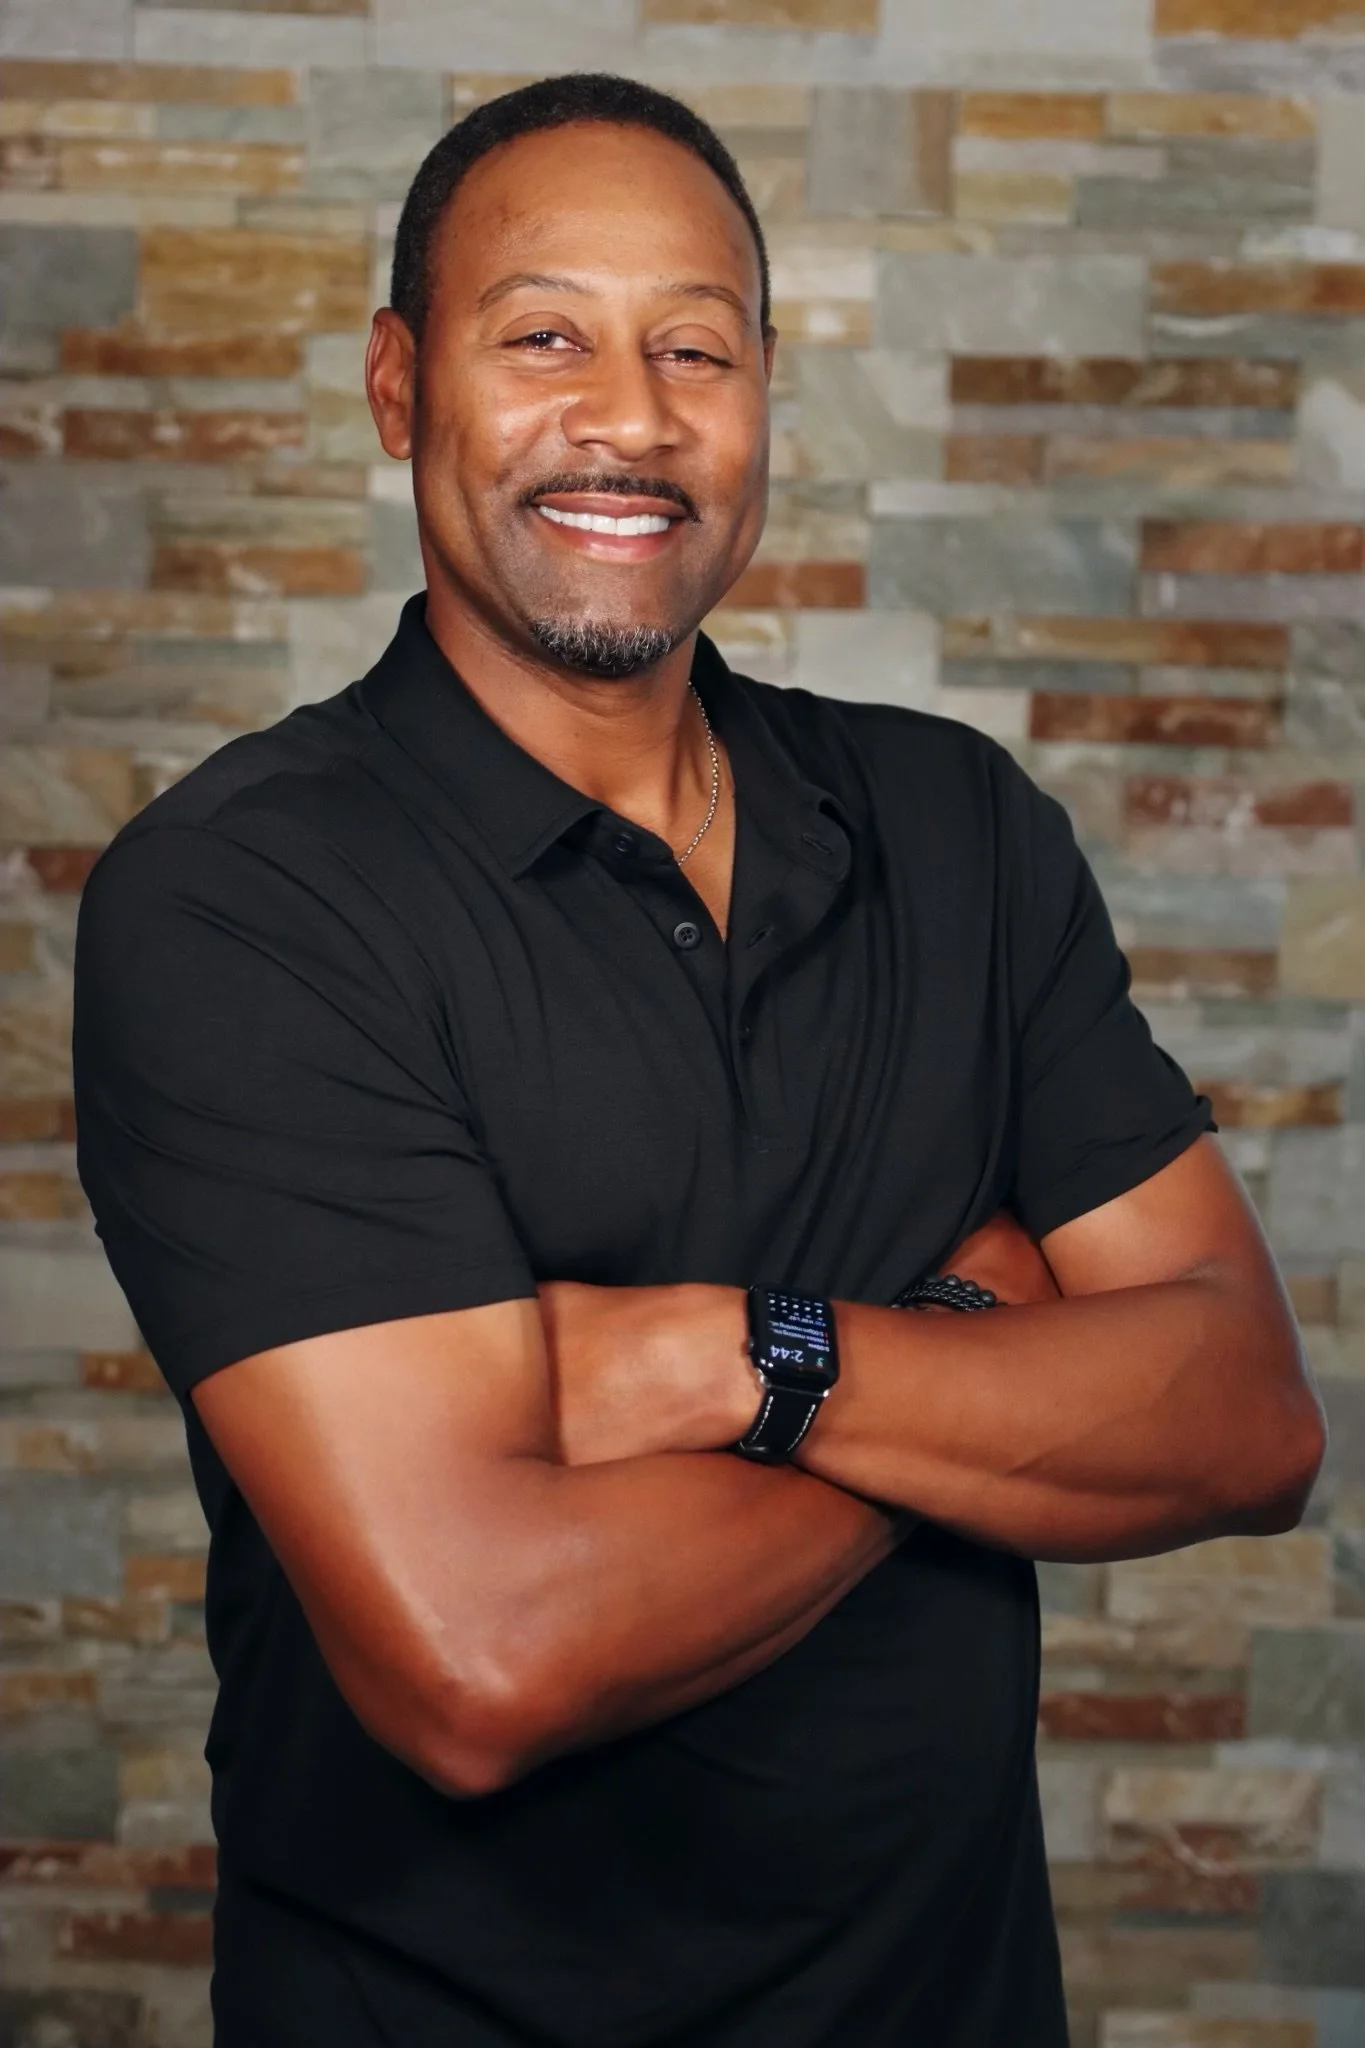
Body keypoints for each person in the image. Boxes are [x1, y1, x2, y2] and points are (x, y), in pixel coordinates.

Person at [72, 72, 1325, 2048]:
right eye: (543, 338)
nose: (632, 418)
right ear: (399, 385)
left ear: (760, 395)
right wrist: (966, 1352)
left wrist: (742, 1361)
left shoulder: (959, 830)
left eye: (695, 349)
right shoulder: (244, 901)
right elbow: (481, 1657)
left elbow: (1248, 1418)